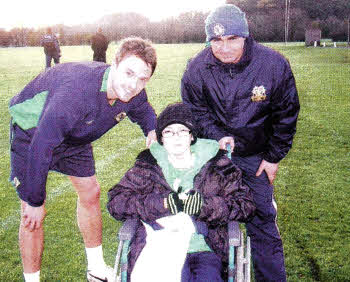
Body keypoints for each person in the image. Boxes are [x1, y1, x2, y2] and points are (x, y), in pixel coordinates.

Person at [8, 37, 158, 282]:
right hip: (33, 133)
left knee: (90, 192)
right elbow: (42, 144)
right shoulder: (76, 92)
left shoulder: (133, 92)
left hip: (74, 135)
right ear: (114, 63)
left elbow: (143, 110)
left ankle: (96, 268)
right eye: (129, 73)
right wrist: (34, 201)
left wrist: (153, 129)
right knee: (32, 214)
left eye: (143, 78)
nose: (133, 85)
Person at [181, 4, 300, 281]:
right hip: (213, 157)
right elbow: (194, 111)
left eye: (232, 39)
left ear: (245, 36)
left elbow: (286, 114)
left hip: (256, 158)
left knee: (262, 223)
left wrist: (272, 157)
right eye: (216, 40)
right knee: (208, 220)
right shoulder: (197, 68)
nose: (223, 48)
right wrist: (215, 136)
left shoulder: (273, 64)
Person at [107, 102, 256, 281]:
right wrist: (162, 203)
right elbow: (117, 202)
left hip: (206, 248)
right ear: (161, 138)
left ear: (191, 136)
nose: (176, 137)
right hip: (160, 245)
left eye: (182, 131)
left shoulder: (218, 165)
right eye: (169, 132)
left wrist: (204, 206)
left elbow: (245, 205)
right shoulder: (148, 165)